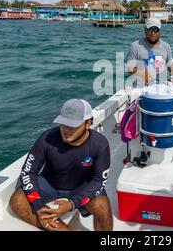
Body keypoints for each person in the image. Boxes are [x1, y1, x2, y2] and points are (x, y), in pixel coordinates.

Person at [9, 99, 113, 231]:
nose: (66, 130)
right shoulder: (46, 138)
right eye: (63, 124)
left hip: (81, 187)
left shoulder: (100, 144)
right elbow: (28, 173)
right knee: (17, 201)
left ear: (88, 123)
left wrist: (72, 204)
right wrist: (38, 206)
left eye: (73, 126)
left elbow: (98, 181)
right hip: (49, 184)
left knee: (102, 206)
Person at [126, 17, 173, 86]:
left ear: (160, 30)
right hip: (140, 89)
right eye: (150, 29)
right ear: (145, 30)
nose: (153, 33)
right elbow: (129, 68)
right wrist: (142, 73)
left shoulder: (166, 46)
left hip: (162, 88)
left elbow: (171, 66)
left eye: (156, 30)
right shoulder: (135, 46)